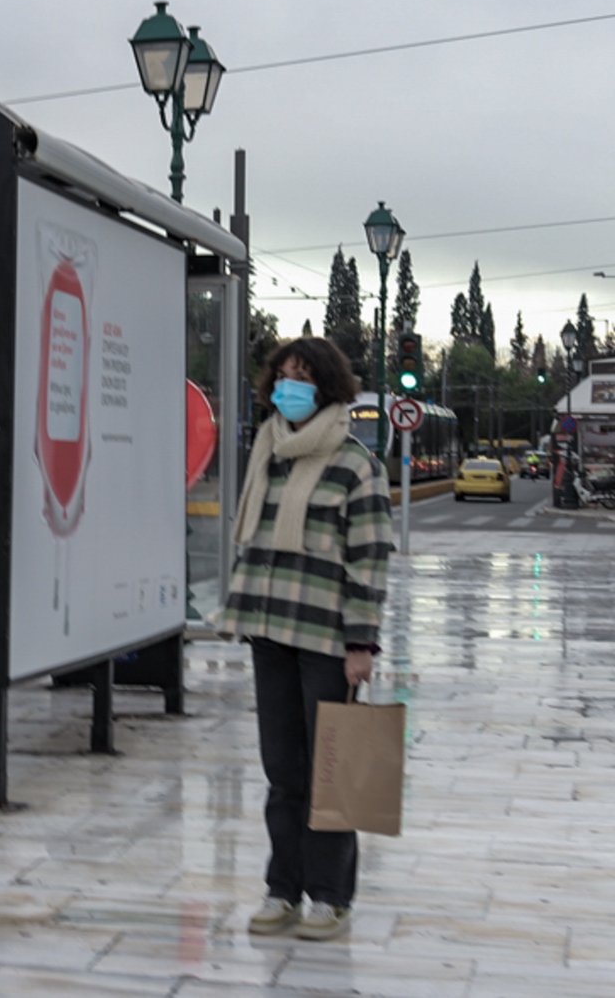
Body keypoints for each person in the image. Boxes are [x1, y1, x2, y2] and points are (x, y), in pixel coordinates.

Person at [222, 337, 391, 942]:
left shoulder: (355, 464)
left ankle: (329, 896)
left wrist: (361, 643)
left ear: (329, 389)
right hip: (270, 629)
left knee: (331, 773)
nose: (288, 389)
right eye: (282, 377)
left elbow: (370, 558)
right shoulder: (267, 451)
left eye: (303, 379)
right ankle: (282, 887)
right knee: (283, 772)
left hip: (325, 635)